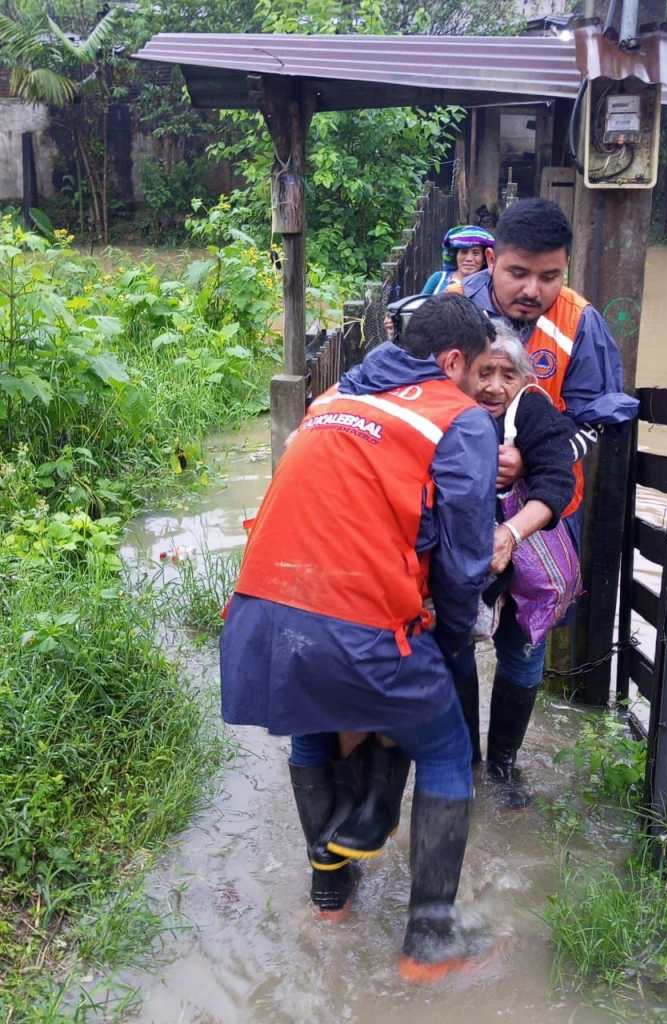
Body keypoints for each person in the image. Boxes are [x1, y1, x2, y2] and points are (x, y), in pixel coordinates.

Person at [220, 293, 500, 982]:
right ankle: (431, 938)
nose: (477, 391)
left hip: (260, 616)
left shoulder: (331, 402)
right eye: (474, 375)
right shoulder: (457, 420)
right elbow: (464, 566)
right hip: (357, 627)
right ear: (453, 361)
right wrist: (453, 645)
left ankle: (330, 899)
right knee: (441, 745)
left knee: (313, 723)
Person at [463, 198, 639, 806]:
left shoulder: (582, 322)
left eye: (549, 275)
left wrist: (535, 459)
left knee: (526, 641)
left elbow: (595, 416)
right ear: (492, 260)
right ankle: (463, 759)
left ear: (567, 267)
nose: (533, 290)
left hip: (544, 519)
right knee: (455, 634)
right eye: (518, 273)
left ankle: (504, 765)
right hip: (460, 516)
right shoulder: (455, 312)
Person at [450, 324, 577, 774]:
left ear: (525, 380)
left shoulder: (533, 411)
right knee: (456, 652)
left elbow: (558, 480)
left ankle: (503, 764)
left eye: (508, 375)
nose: (494, 387)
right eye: (485, 372)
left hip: (526, 561)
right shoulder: (444, 408)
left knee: (522, 658)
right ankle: (463, 763)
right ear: (462, 370)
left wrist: (511, 533)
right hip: (465, 562)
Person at [421, 224, 495, 295]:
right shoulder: (439, 278)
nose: (469, 259)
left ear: (485, 258)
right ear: (455, 255)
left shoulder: (489, 284)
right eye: (464, 252)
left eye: (476, 253)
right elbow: (419, 306)